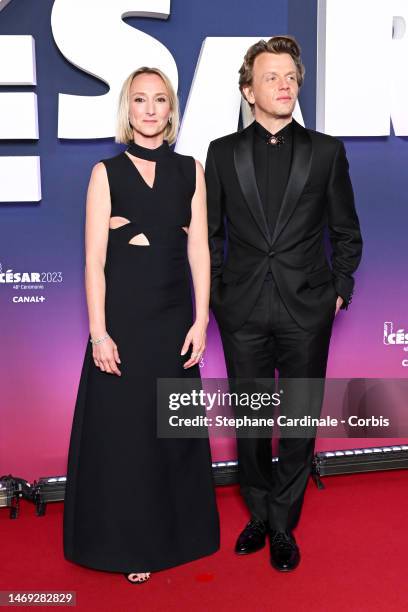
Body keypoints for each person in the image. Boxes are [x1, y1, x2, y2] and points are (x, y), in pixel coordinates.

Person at [205, 36, 362, 572]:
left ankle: (283, 522)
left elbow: (347, 231)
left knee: (298, 421)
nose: (285, 85)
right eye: (271, 77)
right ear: (249, 90)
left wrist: (339, 291)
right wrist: (218, 293)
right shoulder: (222, 152)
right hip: (242, 309)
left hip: (307, 308)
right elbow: (209, 234)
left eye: (291, 77)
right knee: (250, 423)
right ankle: (258, 510)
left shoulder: (326, 151)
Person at [63, 67, 220, 584]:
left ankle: (176, 537)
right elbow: (93, 261)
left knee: (169, 433)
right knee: (126, 439)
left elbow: (198, 248)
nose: (150, 109)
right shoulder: (105, 174)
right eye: (139, 100)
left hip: (174, 319)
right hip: (123, 325)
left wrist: (201, 319)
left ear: (171, 110)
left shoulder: (190, 171)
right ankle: (127, 544)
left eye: (159, 100)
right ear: (127, 110)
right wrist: (98, 333)